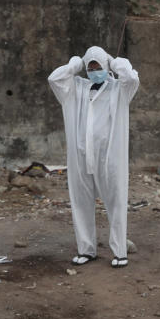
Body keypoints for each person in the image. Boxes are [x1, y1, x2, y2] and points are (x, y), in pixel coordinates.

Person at [48, 46, 140, 268]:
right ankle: (86, 249)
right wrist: (77, 64)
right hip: (81, 157)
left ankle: (119, 251)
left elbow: (132, 77)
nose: (94, 71)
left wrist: (113, 61)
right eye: (90, 67)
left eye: (98, 66)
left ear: (105, 66)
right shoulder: (76, 88)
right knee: (80, 202)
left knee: (116, 202)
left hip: (109, 157)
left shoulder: (119, 89)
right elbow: (54, 78)